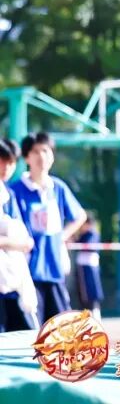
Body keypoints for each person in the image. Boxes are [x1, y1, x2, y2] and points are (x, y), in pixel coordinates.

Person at [8, 132, 86, 324]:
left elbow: (79, 215)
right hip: (26, 273)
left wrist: (63, 236)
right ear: (26, 157)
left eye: (46, 151)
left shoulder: (58, 188)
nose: (41, 156)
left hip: (54, 270)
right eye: (36, 151)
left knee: (60, 329)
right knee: (30, 330)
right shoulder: (15, 190)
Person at [0, 139, 37, 333]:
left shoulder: (9, 195)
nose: (7, 167)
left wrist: (10, 242)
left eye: (11, 162)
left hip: (11, 282)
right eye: (2, 160)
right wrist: (11, 242)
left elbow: (26, 241)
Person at [73, 214, 104, 321]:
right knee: (85, 293)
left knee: (90, 292)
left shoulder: (92, 234)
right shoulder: (85, 234)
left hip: (88, 266)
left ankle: (93, 314)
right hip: (85, 265)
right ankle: (88, 315)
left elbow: (88, 246)